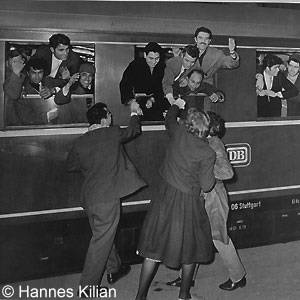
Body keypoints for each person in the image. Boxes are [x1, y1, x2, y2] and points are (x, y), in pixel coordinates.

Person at [135, 101, 216, 300]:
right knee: (191, 248)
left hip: (164, 196)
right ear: (205, 129)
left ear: (188, 124)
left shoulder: (178, 131)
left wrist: (176, 104)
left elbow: (169, 118)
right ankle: (184, 295)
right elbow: (207, 186)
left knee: (153, 248)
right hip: (187, 202)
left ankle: (140, 297)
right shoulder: (207, 152)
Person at [67, 101, 146, 296]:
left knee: (102, 237)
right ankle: (87, 288)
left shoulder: (80, 142)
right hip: (107, 199)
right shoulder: (111, 133)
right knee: (99, 242)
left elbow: (71, 166)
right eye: (109, 115)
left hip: (89, 198)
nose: (111, 118)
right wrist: (135, 112)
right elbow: (133, 131)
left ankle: (114, 269)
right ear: (103, 119)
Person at [167, 111, 246, 292]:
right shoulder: (202, 141)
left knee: (219, 238)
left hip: (215, 199)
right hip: (203, 198)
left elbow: (228, 173)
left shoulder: (215, 144)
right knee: (195, 237)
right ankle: (186, 278)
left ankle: (238, 276)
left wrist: (205, 170)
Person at [3, 56, 66, 125]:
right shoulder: (21, 88)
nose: (37, 76)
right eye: (33, 72)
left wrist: (53, 90)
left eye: (40, 72)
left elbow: (66, 85)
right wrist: (47, 116)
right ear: (28, 73)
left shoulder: (49, 81)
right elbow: (25, 117)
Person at [120, 42, 168, 121]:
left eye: (157, 58)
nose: (154, 62)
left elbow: (161, 88)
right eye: (151, 58)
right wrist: (132, 102)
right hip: (139, 103)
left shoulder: (162, 67)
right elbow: (124, 85)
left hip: (156, 103)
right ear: (145, 55)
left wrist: (152, 99)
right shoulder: (135, 65)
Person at [256, 53, 298, 118]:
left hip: (276, 113)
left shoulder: (279, 75)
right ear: (267, 68)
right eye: (275, 67)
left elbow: (294, 90)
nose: (278, 70)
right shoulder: (258, 76)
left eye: (278, 67)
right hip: (259, 113)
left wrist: (276, 94)